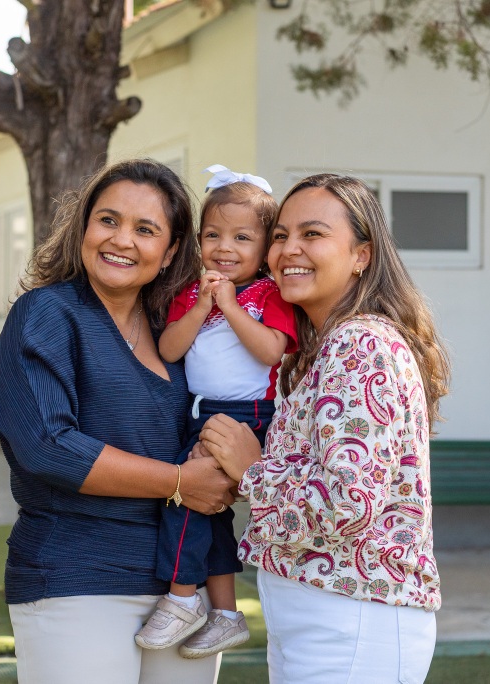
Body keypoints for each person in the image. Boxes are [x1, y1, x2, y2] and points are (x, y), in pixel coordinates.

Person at [0, 159, 237, 684]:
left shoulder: (178, 333)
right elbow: (48, 445)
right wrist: (183, 482)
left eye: (146, 229)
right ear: (84, 229)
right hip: (76, 578)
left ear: (172, 251)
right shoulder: (49, 313)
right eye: (108, 220)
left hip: (184, 587)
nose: (122, 240)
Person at [199, 174, 451, 683]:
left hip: (353, 617)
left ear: (362, 254)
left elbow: (348, 504)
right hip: (323, 613)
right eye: (280, 235)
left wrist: (252, 468)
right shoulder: (322, 348)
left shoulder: (360, 345)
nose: (288, 250)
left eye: (312, 235)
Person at [135, 165, 297, 658]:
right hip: (199, 412)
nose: (224, 248)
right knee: (211, 512)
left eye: (242, 237)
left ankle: (183, 598)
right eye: (213, 235)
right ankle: (226, 613)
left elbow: (272, 351)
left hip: (244, 414)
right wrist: (203, 306)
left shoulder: (268, 293)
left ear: (266, 247)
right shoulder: (193, 291)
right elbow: (168, 348)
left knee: (184, 498)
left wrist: (229, 306)